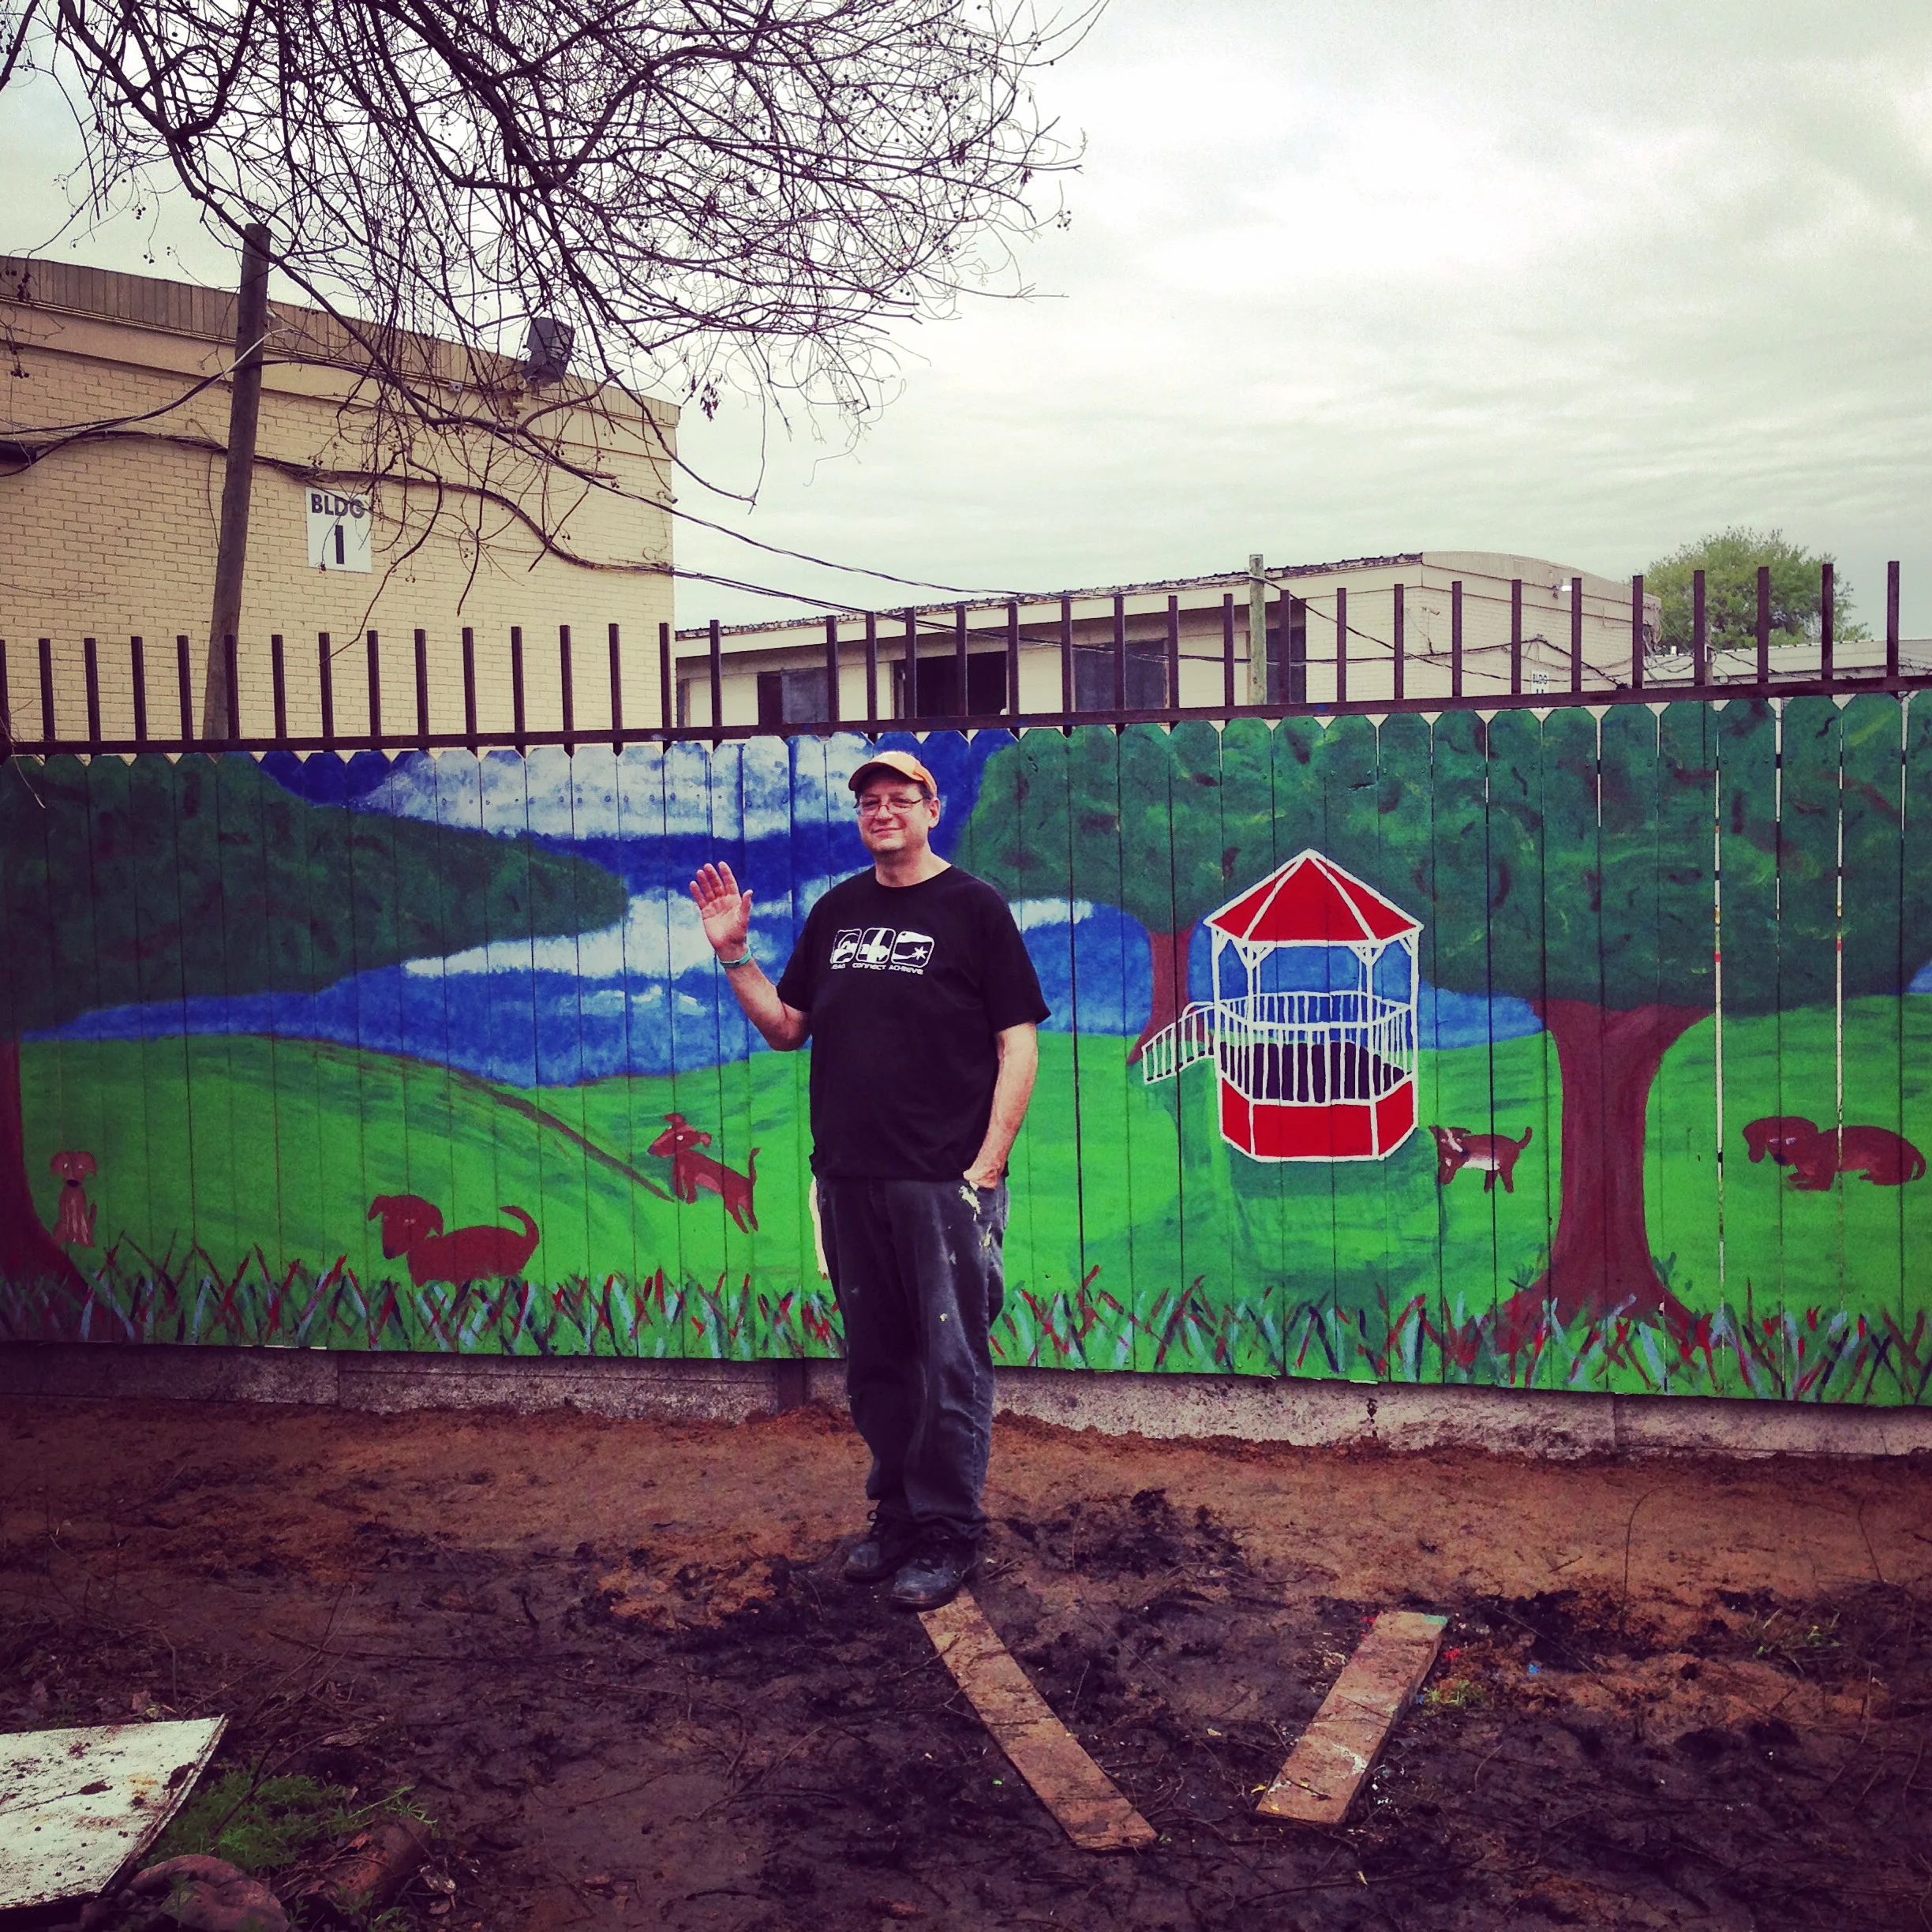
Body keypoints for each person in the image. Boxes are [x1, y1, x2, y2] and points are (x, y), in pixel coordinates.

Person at [688, 748, 1047, 1610]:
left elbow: (1018, 1043)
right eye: (868, 802)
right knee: (878, 1363)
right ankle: (895, 1518)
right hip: (849, 1178)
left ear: (933, 807)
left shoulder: (975, 909)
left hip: (941, 1182)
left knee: (949, 1360)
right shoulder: (839, 911)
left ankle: (949, 1532)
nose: (882, 812)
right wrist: (736, 957)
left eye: (899, 798)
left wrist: (988, 1161)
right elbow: (787, 1028)